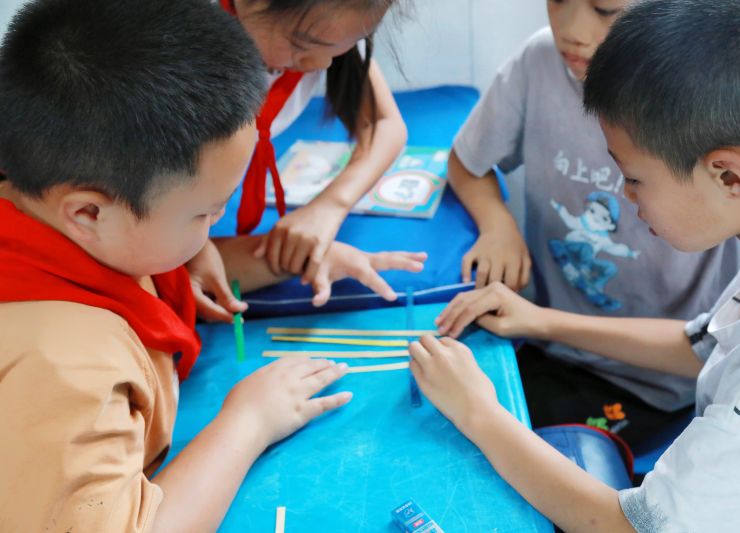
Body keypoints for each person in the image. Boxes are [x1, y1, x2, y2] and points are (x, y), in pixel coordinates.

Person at [0, 0, 423, 530]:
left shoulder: (61, 215)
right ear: (87, 211)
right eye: (204, 214)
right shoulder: (64, 373)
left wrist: (291, 260)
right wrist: (248, 422)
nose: (215, 228)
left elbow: (154, 261)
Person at [412, 0, 740, 530]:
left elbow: (627, 526)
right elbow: (702, 348)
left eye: (634, 178)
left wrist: (477, 411)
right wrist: (540, 320)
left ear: (729, 177)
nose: (624, 194)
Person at [444, 0, 740, 446]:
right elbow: (467, 161)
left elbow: (704, 347)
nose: (572, 30)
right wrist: (497, 223)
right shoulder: (541, 62)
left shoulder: (716, 99)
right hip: (548, 345)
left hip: (656, 382)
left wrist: (540, 322)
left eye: (604, 9)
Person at [189, 0, 411, 322]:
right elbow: (168, 252)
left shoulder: (329, 23)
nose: (322, 63)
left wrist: (330, 206)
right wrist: (196, 248)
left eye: (342, 47)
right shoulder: (176, 59)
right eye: (303, 44)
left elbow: (384, 125)